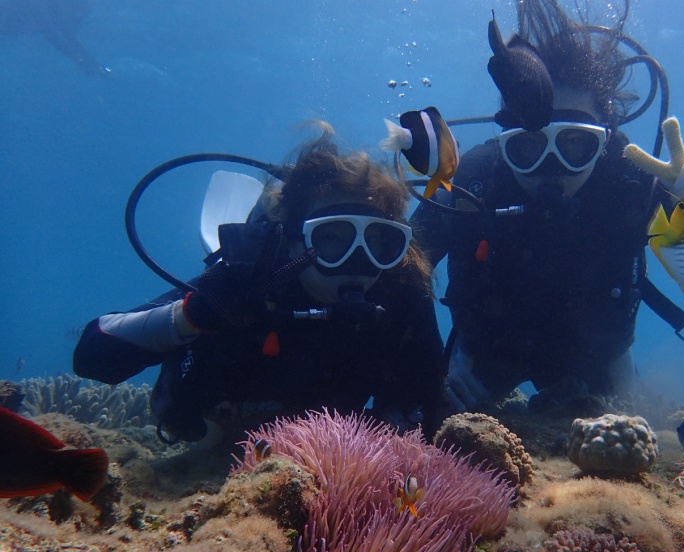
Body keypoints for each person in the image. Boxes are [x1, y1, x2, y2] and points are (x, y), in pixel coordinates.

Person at [411, 0, 684, 412]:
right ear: (504, 142)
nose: (550, 169)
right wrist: (435, 368)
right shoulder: (472, 183)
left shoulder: (629, 184)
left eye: (576, 144)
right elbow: (400, 274)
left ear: (605, 140)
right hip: (484, 364)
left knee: (634, 427)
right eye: (529, 147)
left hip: (600, 362)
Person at [74, 123, 445, 443]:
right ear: (294, 240)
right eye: (332, 237)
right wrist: (193, 315)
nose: (359, 262)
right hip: (213, 433)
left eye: (381, 242)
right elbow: (93, 354)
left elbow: (426, 405)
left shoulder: (402, 290)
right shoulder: (248, 280)